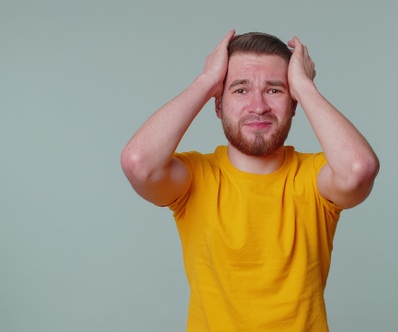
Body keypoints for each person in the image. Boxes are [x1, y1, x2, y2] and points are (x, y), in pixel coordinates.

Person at [121, 29, 380, 331]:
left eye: (274, 90)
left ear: (294, 104)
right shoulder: (196, 178)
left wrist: (304, 86)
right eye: (240, 90)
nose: (258, 106)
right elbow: (138, 163)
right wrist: (205, 82)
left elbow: (359, 168)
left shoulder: (315, 176)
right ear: (217, 105)